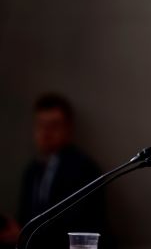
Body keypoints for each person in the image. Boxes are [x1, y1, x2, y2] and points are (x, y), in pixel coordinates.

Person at [17, 93, 108, 249]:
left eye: (53, 126)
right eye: (41, 125)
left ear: (68, 128)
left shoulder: (84, 168)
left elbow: (81, 222)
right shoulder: (32, 170)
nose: (46, 133)